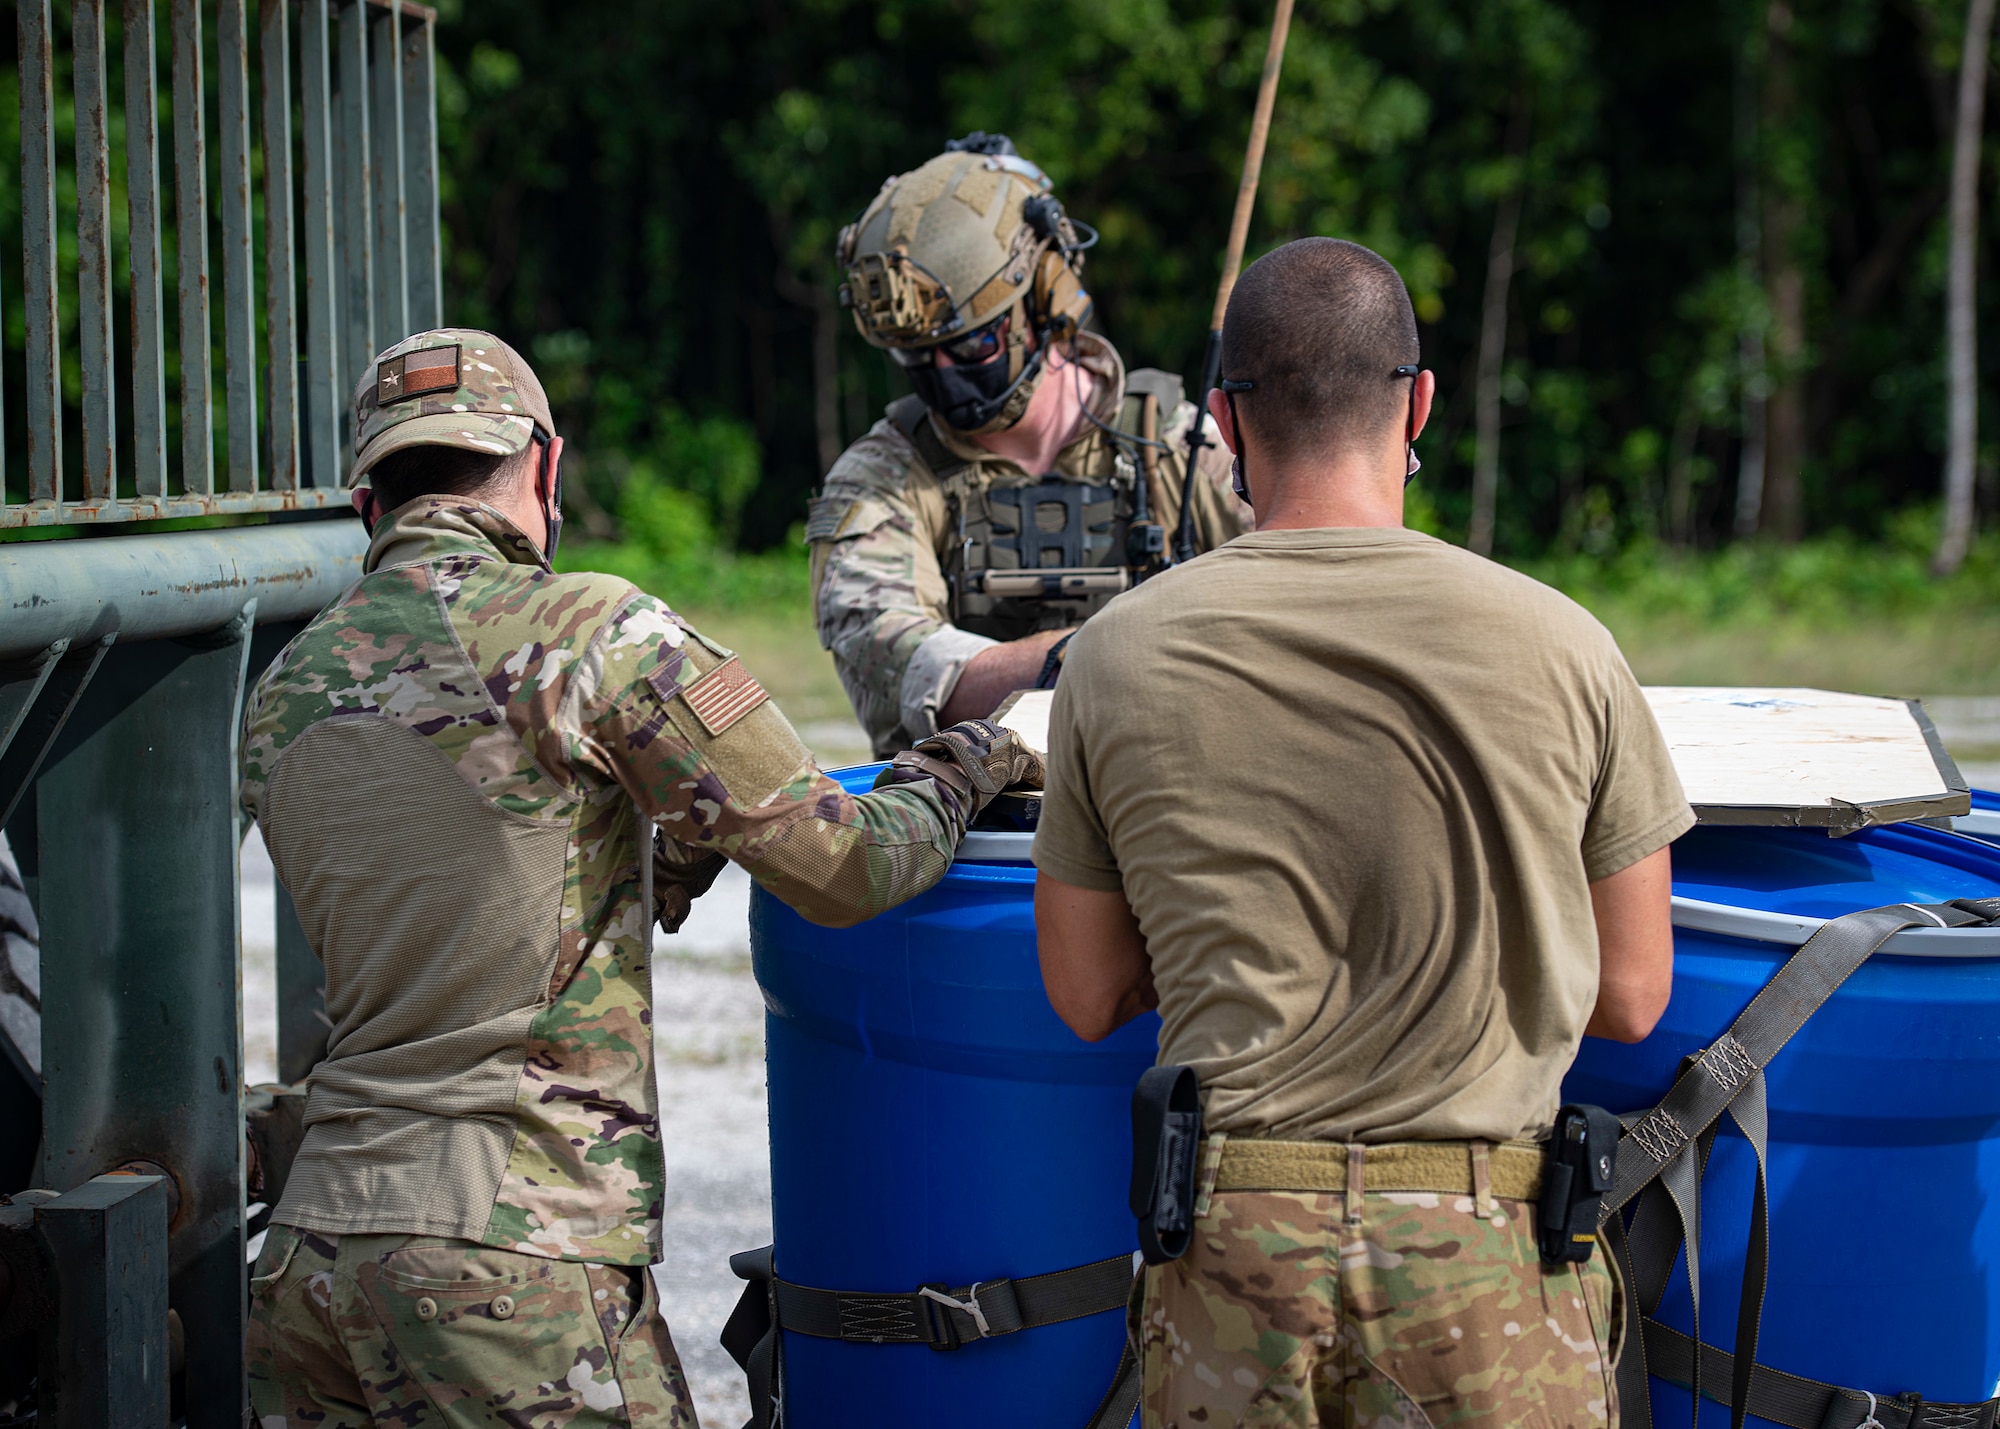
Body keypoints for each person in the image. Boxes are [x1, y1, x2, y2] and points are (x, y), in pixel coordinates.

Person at [240, 328, 1041, 1427]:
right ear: (544, 465)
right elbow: (848, 865)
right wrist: (976, 754)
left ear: (369, 502)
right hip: (511, 1259)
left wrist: (671, 846)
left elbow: (485, 884)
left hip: (310, 1263)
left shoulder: (284, 687)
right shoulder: (590, 633)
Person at [1031, 239, 1691, 1429]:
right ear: (1419, 399)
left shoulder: (1117, 655)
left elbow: (1083, 992)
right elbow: (1634, 992)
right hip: (1483, 1262)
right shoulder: (1565, 645)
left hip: (1235, 1256)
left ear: (1224, 422)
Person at [810, 133, 1252, 757]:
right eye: (915, 356)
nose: (946, 374)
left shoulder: (1182, 449)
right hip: (970, 832)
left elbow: (1313, 592)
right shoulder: (881, 478)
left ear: (1045, 298)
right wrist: (1132, 651)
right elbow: (900, 666)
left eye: (971, 346)